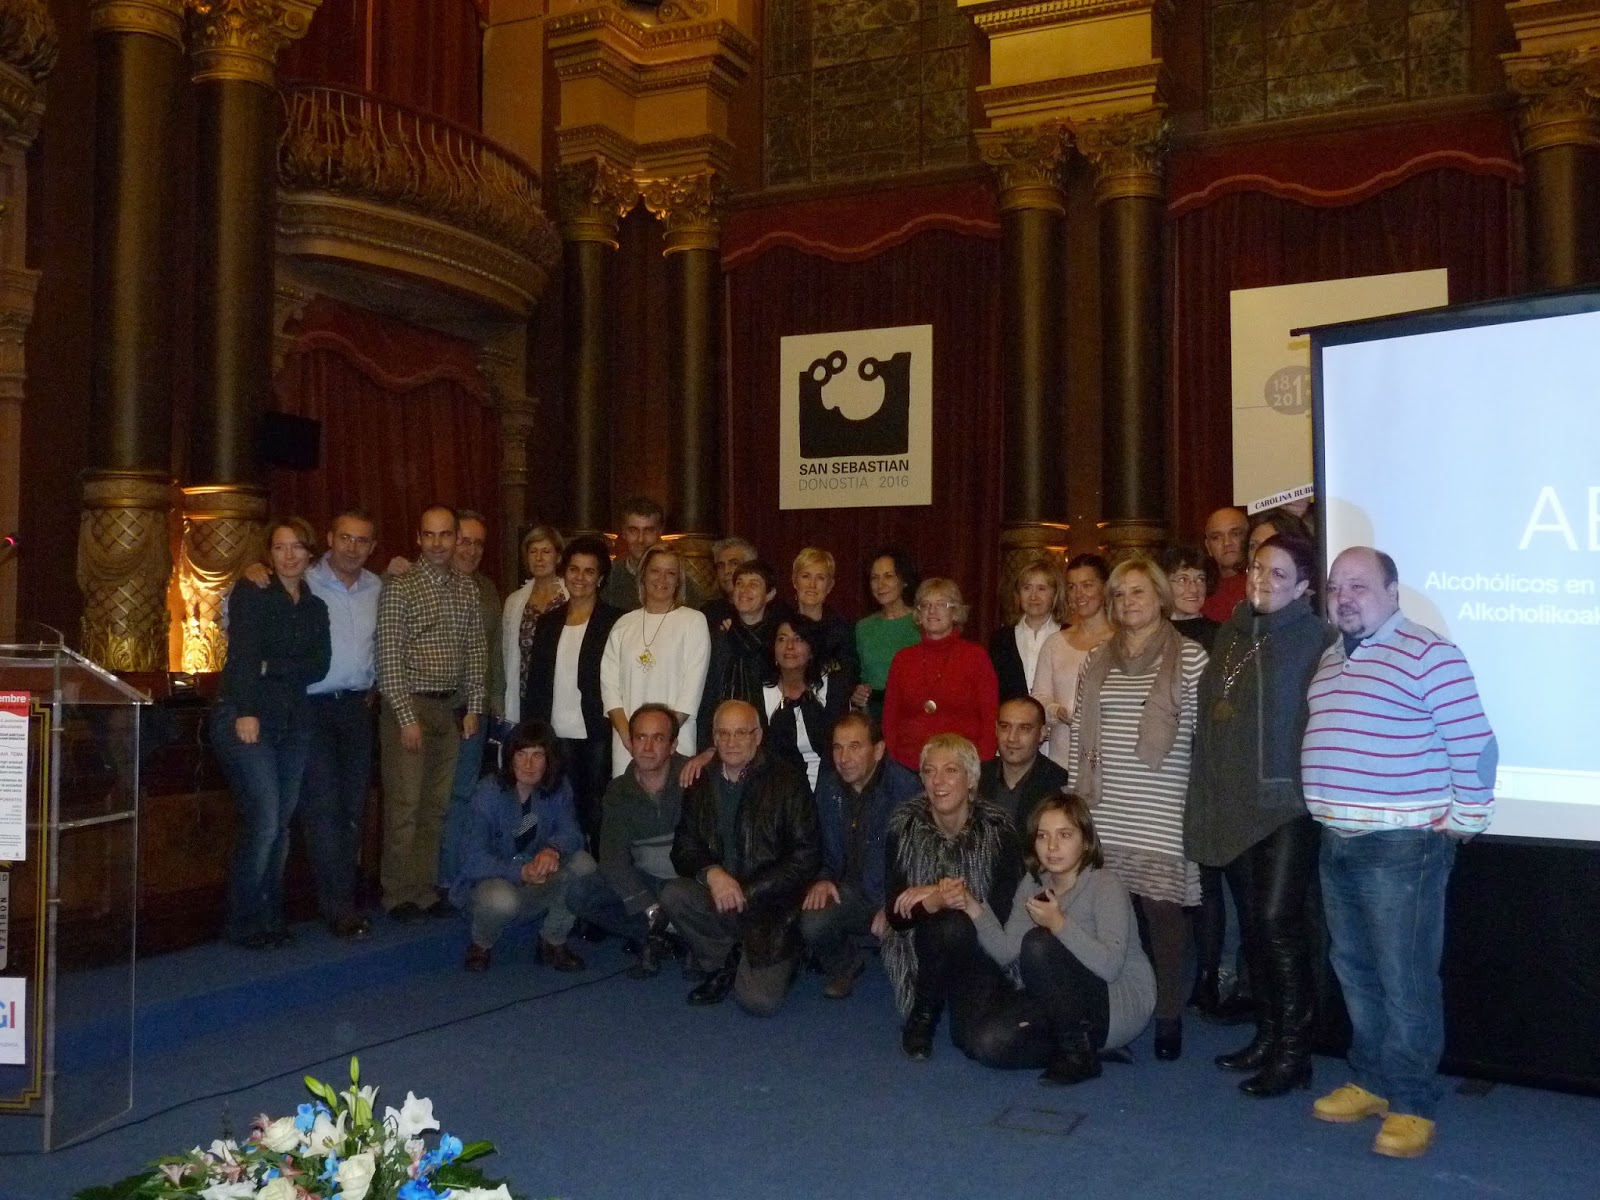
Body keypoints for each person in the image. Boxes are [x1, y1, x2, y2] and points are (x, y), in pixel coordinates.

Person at [1302, 546, 1496, 1159]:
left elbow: (1475, 743)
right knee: (1355, 971)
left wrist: (1468, 818)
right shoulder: (1331, 657)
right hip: (1337, 841)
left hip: (1402, 847)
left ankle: (1412, 1103)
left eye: (1358, 585)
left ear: (1392, 591)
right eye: (1336, 587)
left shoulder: (1429, 653)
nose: (1344, 597)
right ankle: (1373, 1081)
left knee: (1404, 980)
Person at [1186, 533, 1335, 1097]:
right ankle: (1268, 1035)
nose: (1261, 580)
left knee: (1277, 923)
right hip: (1233, 802)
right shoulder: (1231, 633)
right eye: (1256, 568)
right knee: (1252, 925)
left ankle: (1296, 1054)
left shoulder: (1320, 639)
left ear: (1304, 586)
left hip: (1289, 805)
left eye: (1277, 574)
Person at [1069, 554, 1207, 1061]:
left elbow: (1205, 739)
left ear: (1160, 598)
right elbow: (1080, 736)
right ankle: (1111, 1009)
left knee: (1163, 911)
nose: (1128, 601)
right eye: (1119, 594)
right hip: (1104, 802)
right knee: (1108, 910)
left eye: (1138, 591)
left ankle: (1168, 1014)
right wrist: (1074, 803)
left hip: (1162, 801)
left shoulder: (1190, 657)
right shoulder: (1095, 659)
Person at [965, 793, 1156, 1084]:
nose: (1052, 846)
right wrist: (972, 906)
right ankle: (1088, 1046)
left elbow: (1110, 967)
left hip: (1118, 1002)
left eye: (1064, 835)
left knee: (1039, 944)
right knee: (986, 1044)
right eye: (1043, 836)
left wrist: (1059, 923)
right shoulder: (1033, 883)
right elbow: (1006, 952)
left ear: (1086, 841)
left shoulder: (1105, 884)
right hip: (1063, 1002)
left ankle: (1080, 1057)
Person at [211, 518, 330, 948]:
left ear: (310, 553)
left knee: (280, 824)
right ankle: (241, 922)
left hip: (294, 722)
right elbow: (243, 656)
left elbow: (319, 666)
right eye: (280, 547)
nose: (289, 555)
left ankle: (269, 917)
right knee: (264, 820)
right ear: (270, 553)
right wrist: (247, 709)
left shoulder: (315, 607)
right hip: (247, 716)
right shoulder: (253, 591)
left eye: (297, 546)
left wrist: (272, 666)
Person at [659, 700, 821, 1015]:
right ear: (714, 738)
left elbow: (806, 857)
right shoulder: (700, 781)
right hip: (720, 897)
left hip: (771, 909)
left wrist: (747, 892)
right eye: (723, 734)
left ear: (757, 736)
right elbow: (683, 846)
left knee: (758, 1002)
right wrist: (713, 874)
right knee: (673, 893)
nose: (731, 742)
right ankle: (722, 962)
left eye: (741, 733)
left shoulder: (788, 781)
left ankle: (785, 955)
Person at [375, 505, 488, 921]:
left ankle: (423, 889)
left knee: (435, 806)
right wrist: (406, 717)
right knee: (405, 806)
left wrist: (474, 706)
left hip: (449, 709)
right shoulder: (400, 586)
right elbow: (388, 656)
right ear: (419, 538)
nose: (438, 543)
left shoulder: (467, 588)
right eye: (430, 535)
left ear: (456, 537)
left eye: (446, 535)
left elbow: (476, 651)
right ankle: (397, 894)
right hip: (409, 706)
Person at [883, 733, 1020, 1060]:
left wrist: (935, 890)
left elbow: (1001, 912)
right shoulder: (903, 827)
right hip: (923, 943)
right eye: (929, 771)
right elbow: (896, 916)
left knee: (972, 1041)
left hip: (983, 945)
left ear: (971, 780)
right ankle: (923, 1016)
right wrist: (934, 901)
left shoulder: (998, 830)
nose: (938, 781)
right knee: (946, 923)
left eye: (950, 771)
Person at [453, 720, 594, 974]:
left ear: (549, 760)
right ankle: (481, 944)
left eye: (537, 755)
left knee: (584, 864)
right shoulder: (488, 793)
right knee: (501, 899)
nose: (528, 764)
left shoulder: (558, 787)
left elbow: (572, 833)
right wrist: (520, 871)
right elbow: (471, 860)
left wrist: (553, 849)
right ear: (510, 757)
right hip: (491, 886)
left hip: (535, 882)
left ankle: (553, 940)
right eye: (521, 754)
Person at [300, 509, 382, 941]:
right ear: (329, 538)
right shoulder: (302, 581)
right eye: (345, 538)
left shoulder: (378, 588)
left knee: (352, 808)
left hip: (357, 709)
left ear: (372, 547)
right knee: (323, 808)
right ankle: (338, 908)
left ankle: (342, 899)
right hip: (312, 709)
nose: (353, 547)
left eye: (362, 540)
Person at [801, 712, 919, 999]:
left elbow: (917, 861)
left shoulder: (906, 790)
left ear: (878, 750)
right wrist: (823, 879)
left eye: (855, 747)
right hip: (850, 892)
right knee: (813, 918)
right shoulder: (828, 787)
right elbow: (818, 847)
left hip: (895, 894)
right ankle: (846, 964)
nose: (844, 758)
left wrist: (892, 904)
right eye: (838, 748)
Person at [564, 703, 686, 978]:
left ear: (673, 745)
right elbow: (612, 859)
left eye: (658, 738)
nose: (647, 747)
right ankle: (661, 934)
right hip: (647, 880)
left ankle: (675, 933)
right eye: (641, 737)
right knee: (580, 893)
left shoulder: (694, 776)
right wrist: (649, 906)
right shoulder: (618, 790)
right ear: (630, 742)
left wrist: (710, 754)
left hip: (686, 884)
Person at [522, 535, 623, 849]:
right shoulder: (548, 622)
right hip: (554, 730)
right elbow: (536, 681)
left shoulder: (615, 621)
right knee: (556, 803)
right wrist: (532, 731)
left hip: (596, 729)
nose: (580, 577)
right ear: (564, 572)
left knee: (596, 805)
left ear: (600, 578)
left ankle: (598, 865)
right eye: (574, 569)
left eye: (589, 571)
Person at [600, 543, 711, 773]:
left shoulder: (693, 621)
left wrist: (662, 740)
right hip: (628, 744)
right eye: (655, 571)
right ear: (643, 575)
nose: (662, 579)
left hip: (674, 742)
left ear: (679, 581)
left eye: (671, 573)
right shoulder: (624, 624)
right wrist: (629, 738)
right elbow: (609, 687)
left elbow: (691, 690)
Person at [439, 509, 505, 893]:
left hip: (472, 711)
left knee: (462, 795)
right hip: (430, 708)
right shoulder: (418, 581)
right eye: (464, 540)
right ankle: (421, 882)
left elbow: (494, 651)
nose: (471, 550)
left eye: (478, 543)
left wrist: (494, 701)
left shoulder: (487, 590)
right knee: (426, 799)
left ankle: (450, 879)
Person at [881, 578, 998, 770]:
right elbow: (890, 719)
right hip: (907, 766)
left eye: (941, 605)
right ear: (918, 614)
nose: (932, 611)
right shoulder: (902, 659)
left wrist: (982, 765)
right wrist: (894, 761)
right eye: (925, 605)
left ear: (955, 612)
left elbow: (989, 717)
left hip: (960, 767)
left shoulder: (976, 657)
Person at [1032, 553, 1114, 771]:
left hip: (1109, 756)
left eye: (1087, 585)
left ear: (1105, 588)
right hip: (1062, 758)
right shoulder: (1055, 642)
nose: (1079, 594)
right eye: (1072, 587)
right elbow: (1039, 697)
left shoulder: (1122, 641)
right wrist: (1057, 711)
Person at [697, 558, 787, 749]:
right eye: (739, 583)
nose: (744, 590)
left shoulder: (779, 640)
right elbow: (708, 693)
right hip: (722, 736)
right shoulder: (717, 638)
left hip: (768, 737)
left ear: (770, 594)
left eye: (753, 584)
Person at [759, 615, 850, 790]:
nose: (789, 646)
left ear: (812, 651)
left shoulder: (833, 685)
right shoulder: (761, 691)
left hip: (832, 783)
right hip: (780, 789)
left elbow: (840, 744)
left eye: (798, 639)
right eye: (782, 639)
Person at [500, 524, 568, 727]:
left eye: (546, 551)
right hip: (524, 695)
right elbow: (506, 653)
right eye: (533, 551)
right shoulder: (514, 602)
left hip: (562, 695)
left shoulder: (571, 597)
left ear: (558, 557)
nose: (539, 558)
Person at [978, 696, 1070, 829]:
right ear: (996, 729)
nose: (1012, 738)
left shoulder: (1059, 785)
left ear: (1042, 733)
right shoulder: (976, 778)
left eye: (1024, 728)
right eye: (1005, 727)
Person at [852, 546, 920, 721]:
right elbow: (857, 675)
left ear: (904, 581)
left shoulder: (921, 622)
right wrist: (856, 692)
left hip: (914, 712)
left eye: (888, 576)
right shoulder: (863, 628)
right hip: (874, 716)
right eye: (874, 577)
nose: (880, 584)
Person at [988, 558, 1066, 703]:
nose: (1033, 596)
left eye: (1041, 589)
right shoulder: (1001, 639)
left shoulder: (1070, 636)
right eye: (1027, 588)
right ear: (1018, 594)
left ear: (1055, 594)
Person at [790, 547, 859, 700]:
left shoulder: (841, 629)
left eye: (820, 578)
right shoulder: (781, 624)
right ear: (794, 581)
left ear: (830, 586)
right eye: (806, 576)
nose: (812, 584)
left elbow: (848, 676)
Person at [600, 495, 664, 613]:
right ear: (624, 532)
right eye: (633, 530)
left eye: (648, 531)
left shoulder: (676, 578)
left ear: (660, 532)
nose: (641, 539)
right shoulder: (608, 578)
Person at [1162, 544, 1220, 653]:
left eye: (1200, 579)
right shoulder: (1153, 631)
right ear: (1163, 584)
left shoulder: (1220, 634)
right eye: (1183, 580)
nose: (1194, 589)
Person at [1201, 506, 1250, 622]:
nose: (1227, 543)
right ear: (1208, 547)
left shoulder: (1263, 583)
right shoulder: (1198, 589)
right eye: (1216, 537)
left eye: (1235, 534)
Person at [702, 535, 757, 633]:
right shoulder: (709, 613)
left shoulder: (771, 612)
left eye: (734, 563)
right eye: (721, 566)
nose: (726, 571)